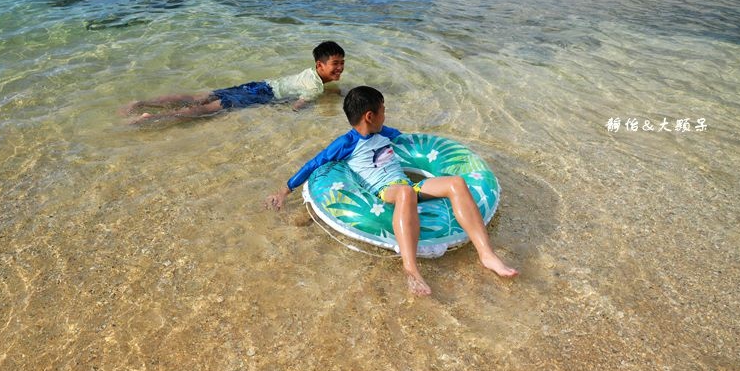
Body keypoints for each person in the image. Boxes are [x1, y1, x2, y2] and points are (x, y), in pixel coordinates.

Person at [266, 86, 518, 296]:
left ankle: (487, 254)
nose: (385, 114)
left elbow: (412, 144)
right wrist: (284, 190)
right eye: (383, 110)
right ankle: (411, 269)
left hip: (408, 186)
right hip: (385, 191)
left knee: (456, 183)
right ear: (369, 115)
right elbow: (314, 164)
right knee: (404, 193)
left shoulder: (384, 133)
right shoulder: (345, 144)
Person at [119, 41, 345, 123]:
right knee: (206, 110)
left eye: (342, 63)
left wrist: (331, 93)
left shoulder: (310, 74)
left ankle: (140, 103)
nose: (340, 68)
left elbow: (301, 87)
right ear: (320, 66)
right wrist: (286, 117)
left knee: (199, 97)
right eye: (335, 63)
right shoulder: (316, 87)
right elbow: (297, 107)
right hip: (264, 96)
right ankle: (151, 117)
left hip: (259, 85)